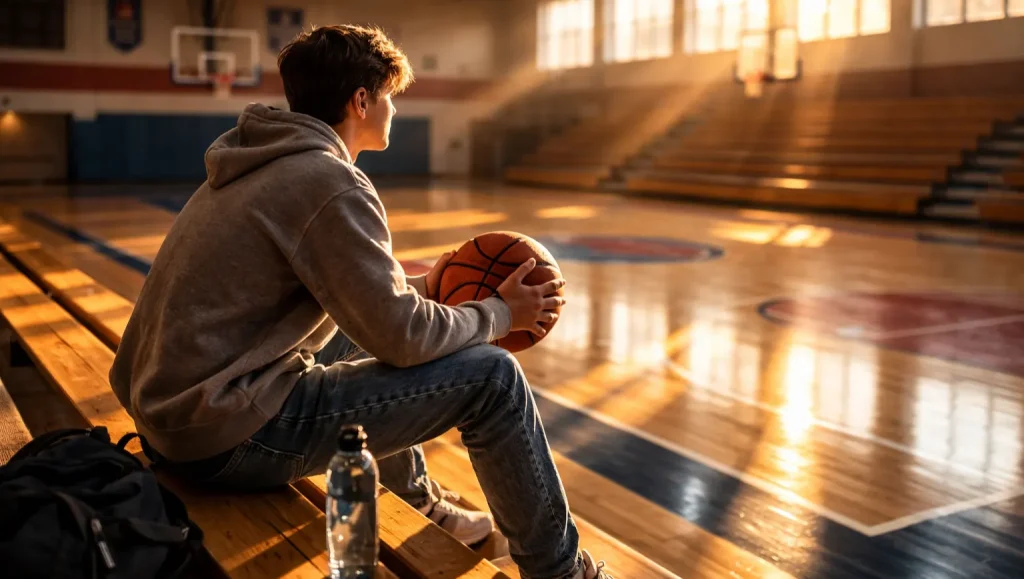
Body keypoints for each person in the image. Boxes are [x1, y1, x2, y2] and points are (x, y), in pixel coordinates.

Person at [109, 24, 611, 579]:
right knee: (493, 378)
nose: (395, 109)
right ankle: (562, 573)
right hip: (223, 436)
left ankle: (416, 501)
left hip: (175, 412)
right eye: (391, 96)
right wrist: (498, 316)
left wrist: (432, 287)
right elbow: (402, 335)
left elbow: (363, 303)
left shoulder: (257, 161)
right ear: (362, 99)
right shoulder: (328, 180)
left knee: (352, 335)